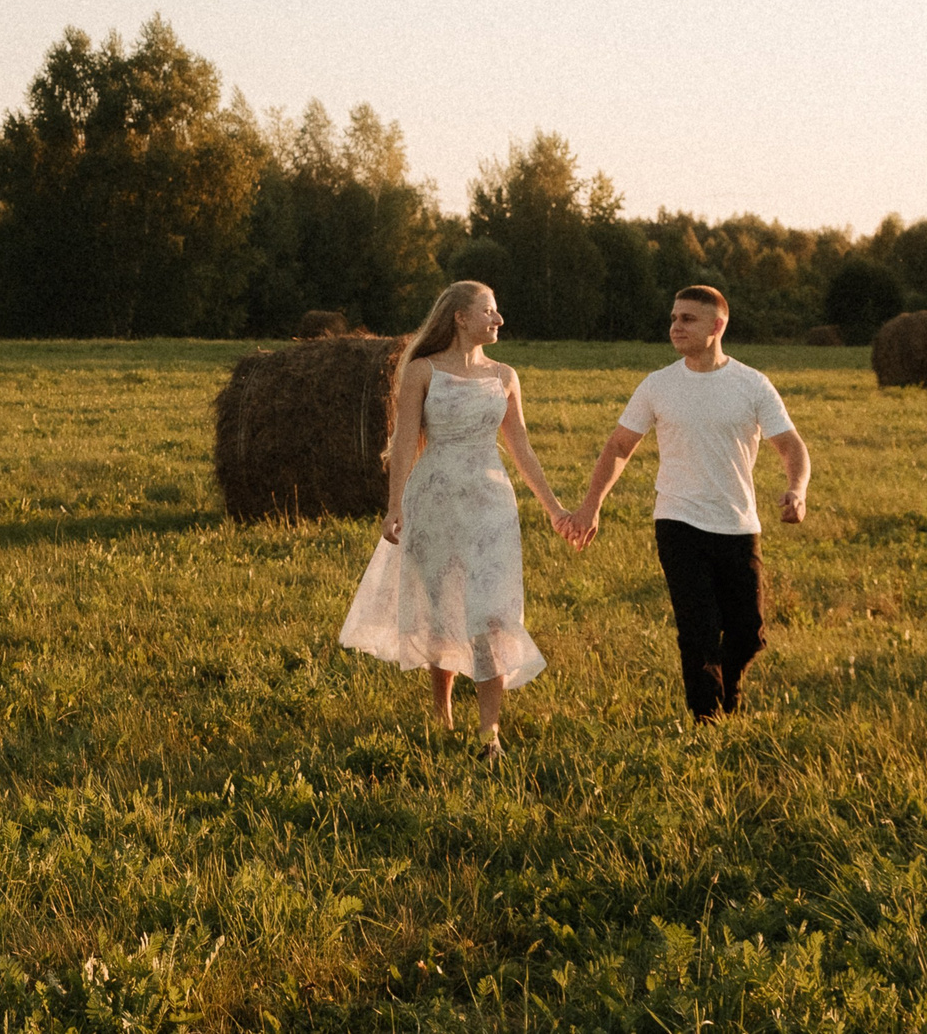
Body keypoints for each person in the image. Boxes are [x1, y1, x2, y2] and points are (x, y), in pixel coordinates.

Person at [339, 280, 571, 761]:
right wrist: (395, 504)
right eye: (489, 310)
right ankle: (443, 717)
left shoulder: (505, 376)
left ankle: (491, 735)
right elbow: (404, 440)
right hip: (436, 500)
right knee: (442, 607)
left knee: (492, 614)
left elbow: (521, 448)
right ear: (460, 318)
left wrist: (554, 508)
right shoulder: (422, 371)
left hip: (491, 503)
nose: (499, 318)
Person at [560, 285, 813, 721]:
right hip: (678, 522)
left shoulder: (752, 384)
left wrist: (798, 488)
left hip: (738, 524)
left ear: (717, 326)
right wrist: (590, 506)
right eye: (674, 318)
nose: (676, 327)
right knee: (697, 632)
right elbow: (620, 446)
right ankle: (707, 721)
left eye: (688, 319)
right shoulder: (658, 385)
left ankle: (725, 696)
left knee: (748, 634)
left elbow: (791, 446)